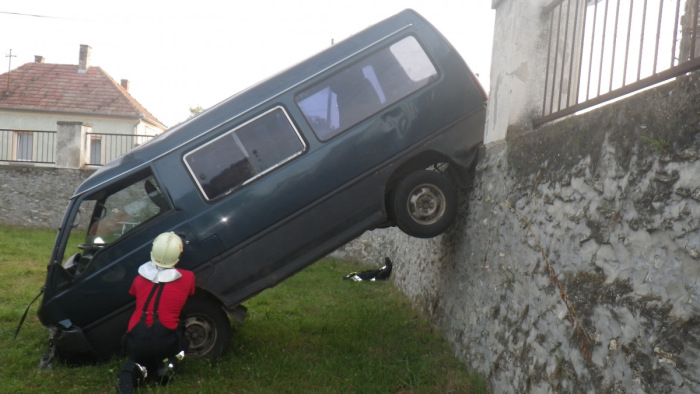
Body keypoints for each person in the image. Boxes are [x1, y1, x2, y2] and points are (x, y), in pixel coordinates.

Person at [117, 232, 195, 393]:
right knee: (183, 341)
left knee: (140, 356)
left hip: (135, 339)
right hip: (164, 340)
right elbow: (189, 293)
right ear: (178, 255)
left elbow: (136, 294)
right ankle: (168, 364)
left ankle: (139, 368)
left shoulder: (139, 279)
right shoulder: (188, 278)